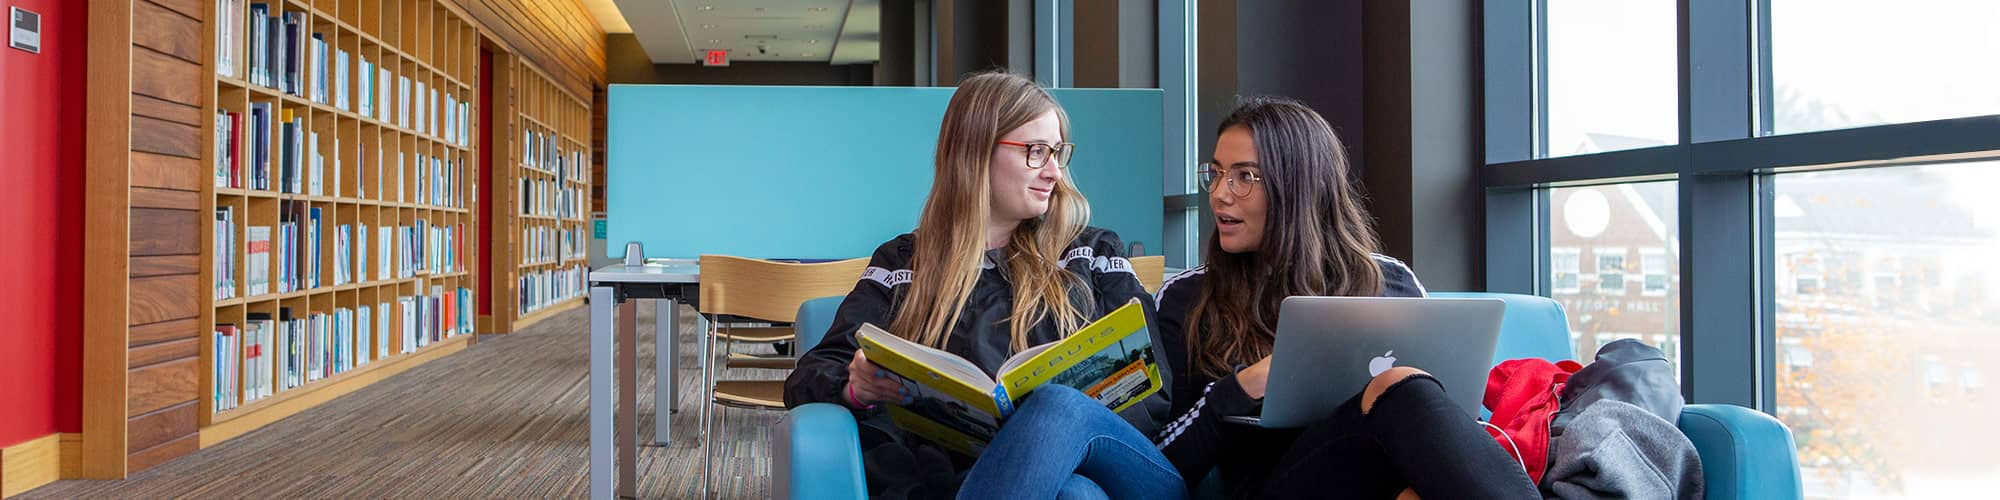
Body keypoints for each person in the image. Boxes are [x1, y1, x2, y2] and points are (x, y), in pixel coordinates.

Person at [782, 72, 1163, 499]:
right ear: (976, 152)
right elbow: (812, 374)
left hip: (1103, 467)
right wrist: (855, 388)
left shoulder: (1092, 253)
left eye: (1058, 153)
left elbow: (1157, 385)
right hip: (970, 480)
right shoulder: (904, 263)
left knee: (1057, 419)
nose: (1054, 171)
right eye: (1037, 152)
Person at [1149, 96, 1539, 499]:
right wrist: (1246, 385)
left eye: (1244, 177)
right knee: (1400, 383)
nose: (1219, 194)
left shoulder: (1391, 281)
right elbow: (1154, 464)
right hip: (1273, 488)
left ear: (1298, 185)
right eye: (1215, 174)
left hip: (1390, 481)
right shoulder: (1187, 298)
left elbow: (1454, 426)